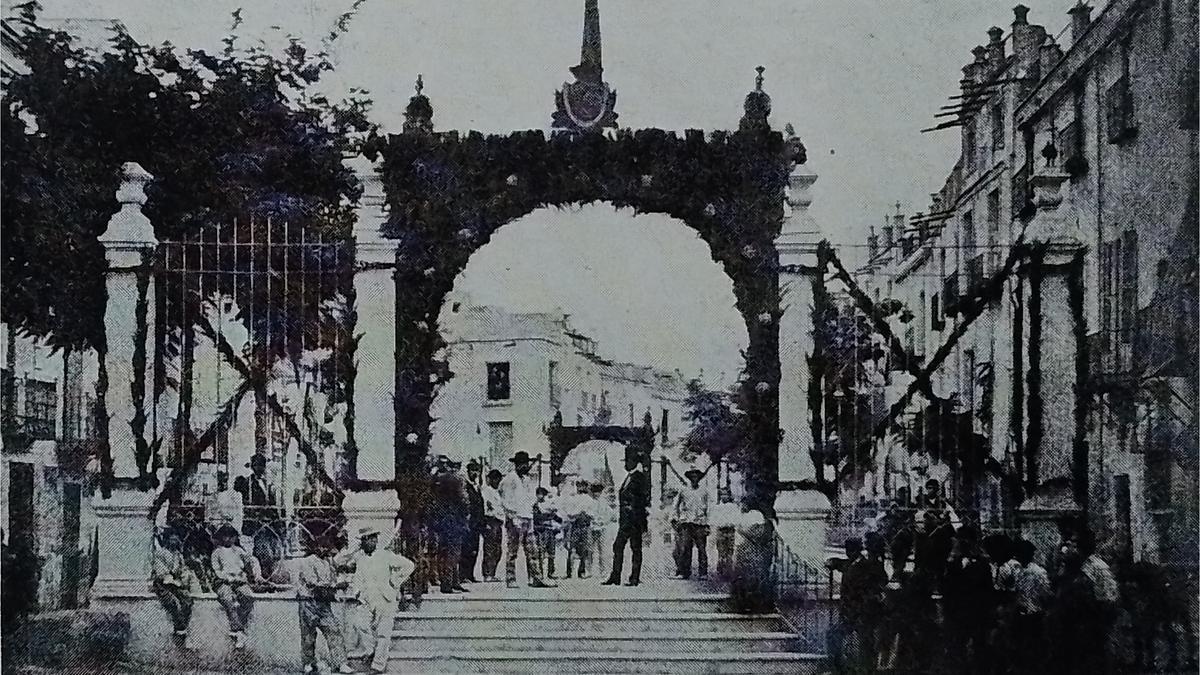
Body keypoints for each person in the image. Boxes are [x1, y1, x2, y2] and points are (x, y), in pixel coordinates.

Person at [347, 526, 415, 674]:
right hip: (367, 599)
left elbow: (409, 565)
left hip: (385, 599)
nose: (364, 544)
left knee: (384, 633)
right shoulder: (361, 559)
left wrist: (394, 582)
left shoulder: (386, 556)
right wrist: (358, 593)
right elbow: (357, 578)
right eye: (363, 541)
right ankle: (370, 649)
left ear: (374, 541)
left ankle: (378, 665)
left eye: (368, 540)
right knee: (359, 624)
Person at [296, 535, 352, 674]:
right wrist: (336, 585)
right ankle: (308, 663)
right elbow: (312, 583)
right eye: (323, 547)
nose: (325, 550)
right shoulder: (307, 561)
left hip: (324, 603)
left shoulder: (328, 562)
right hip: (308, 601)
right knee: (308, 635)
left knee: (334, 631)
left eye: (327, 548)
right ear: (316, 547)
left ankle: (340, 663)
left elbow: (334, 576)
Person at [499, 451, 552, 588]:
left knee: (532, 550)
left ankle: (536, 578)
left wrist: (533, 505)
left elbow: (529, 499)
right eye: (523, 464)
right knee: (512, 551)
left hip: (527, 518)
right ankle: (510, 579)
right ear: (517, 464)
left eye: (526, 463)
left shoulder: (527, 480)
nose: (526, 466)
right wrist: (512, 516)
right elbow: (505, 501)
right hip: (515, 518)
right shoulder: (509, 480)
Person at [210, 523, 265, 649]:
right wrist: (227, 578)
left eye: (231, 536)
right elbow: (216, 570)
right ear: (221, 537)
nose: (228, 539)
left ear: (235, 537)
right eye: (225, 536)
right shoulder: (217, 553)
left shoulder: (239, 551)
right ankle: (236, 630)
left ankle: (240, 628)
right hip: (224, 582)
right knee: (228, 599)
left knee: (248, 597)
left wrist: (252, 572)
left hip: (239, 581)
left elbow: (249, 563)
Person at [602, 455, 650, 587]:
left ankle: (634, 578)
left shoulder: (639, 477)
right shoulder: (628, 477)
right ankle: (616, 576)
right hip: (625, 520)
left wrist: (632, 508)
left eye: (628, 461)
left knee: (635, 548)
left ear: (634, 462)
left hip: (634, 520)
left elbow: (642, 497)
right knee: (618, 546)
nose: (626, 464)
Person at [1009, 538, 1051, 674]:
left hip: (1030, 616)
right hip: (1029, 615)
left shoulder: (1033, 572)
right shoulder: (1030, 571)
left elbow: (1045, 595)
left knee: (1028, 650)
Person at [239, 453, 283, 580]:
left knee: (273, 552)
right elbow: (246, 501)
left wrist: (277, 520)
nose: (260, 468)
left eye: (262, 466)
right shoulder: (247, 483)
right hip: (256, 523)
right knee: (262, 551)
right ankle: (261, 577)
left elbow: (271, 503)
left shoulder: (267, 483)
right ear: (253, 467)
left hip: (269, 524)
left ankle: (269, 577)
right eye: (257, 465)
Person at [430, 457, 470, 594]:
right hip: (455, 519)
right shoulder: (457, 479)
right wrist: (465, 514)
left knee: (444, 552)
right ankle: (450, 582)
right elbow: (463, 500)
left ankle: (449, 581)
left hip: (441, 520)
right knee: (453, 552)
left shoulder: (436, 479)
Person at [152, 529, 196, 646]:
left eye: (176, 538)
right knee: (172, 602)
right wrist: (170, 577)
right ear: (167, 540)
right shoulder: (160, 553)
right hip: (163, 584)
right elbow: (160, 572)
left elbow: (182, 569)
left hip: (176, 583)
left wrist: (184, 577)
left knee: (187, 600)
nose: (174, 541)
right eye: (172, 538)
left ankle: (182, 627)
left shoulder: (178, 555)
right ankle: (180, 629)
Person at [672, 467, 710, 580]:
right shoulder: (683, 490)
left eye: (696, 476)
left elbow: (709, 508)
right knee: (685, 548)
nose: (694, 478)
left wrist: (707, 523)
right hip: (686, 522)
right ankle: (685, 572)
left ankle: (703, 573)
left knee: (702, 549)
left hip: (700, 523)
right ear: (689, 478)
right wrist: (676, 518)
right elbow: (675, 506)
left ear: (699, 477)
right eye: (692, 476)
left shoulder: (704, 491)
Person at [560, 480, 594, 579]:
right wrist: (577, 514)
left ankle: (582, 571)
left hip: (585, 526)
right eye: (579, 486)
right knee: (572, 549)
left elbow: (592, 514)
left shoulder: (589, 499)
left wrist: (585, 514)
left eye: (583, 486)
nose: (581, 488)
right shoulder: (573, 499)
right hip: (575, 525)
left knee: (584, 549)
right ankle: (569, 572)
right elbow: (569, 512)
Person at [459, 461, 486, 583]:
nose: (475, 473)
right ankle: (463, 575)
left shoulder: (477, 487)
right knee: (466, 550)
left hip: (477, 524)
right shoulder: (466, 486)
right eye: (473, 470)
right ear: (468, 471)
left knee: (475, 550)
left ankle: (470, 574)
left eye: (477, 470)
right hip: (469, 523)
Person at [479, 469, 504, 582]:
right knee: (489, 548)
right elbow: (486, 507)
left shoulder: (498, 492)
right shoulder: (486, 491)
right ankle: (487, 574)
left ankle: (492, 573)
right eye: (494, 479)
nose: (496, 482)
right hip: (490, 520)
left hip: (499, 522)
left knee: (498, 549)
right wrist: (486, 522)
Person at [533, 487, 562, 579]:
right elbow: (538, 517)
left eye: (542, 494)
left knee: (551, 552)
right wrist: (549, 516)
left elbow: (556, 517)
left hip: (550, 530)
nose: (541, 496)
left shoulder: (548, 505)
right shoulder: (536, 506)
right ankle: (540, 573)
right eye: (539, 494)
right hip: (540, 530)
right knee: (540, 552)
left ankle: (551, 572)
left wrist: (559, 520)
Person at [589, 482, 612, 578]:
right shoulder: (590, 502)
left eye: (598, 492)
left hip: (602, 528)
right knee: (590, 549)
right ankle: (589, 570)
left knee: (602, 549)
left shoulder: (604, 503)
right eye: (594, 492)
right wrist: (593, 520)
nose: (596, 494)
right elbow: (588, 513)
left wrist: (603, 521)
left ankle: (603, 570)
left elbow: (609, 515)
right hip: (592, 527)